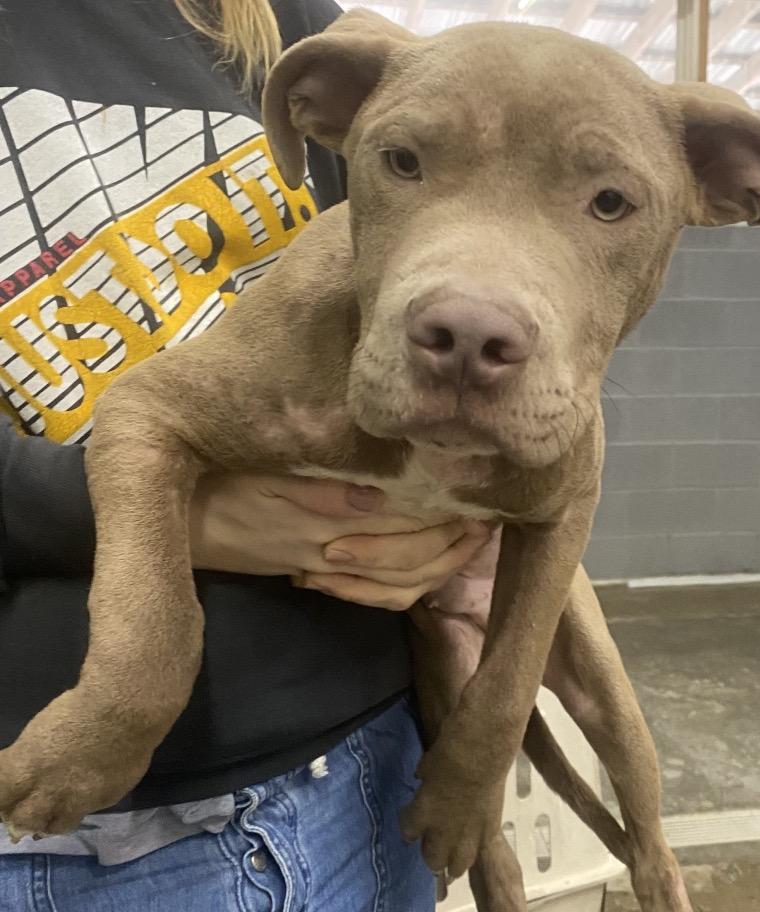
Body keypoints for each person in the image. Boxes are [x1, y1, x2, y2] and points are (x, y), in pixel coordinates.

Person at [0, 1, 491, 909]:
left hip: (367, 769)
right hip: (75, 830)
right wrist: (183, 510)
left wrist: (465, 516)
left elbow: (448, 257)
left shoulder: (270, 16)